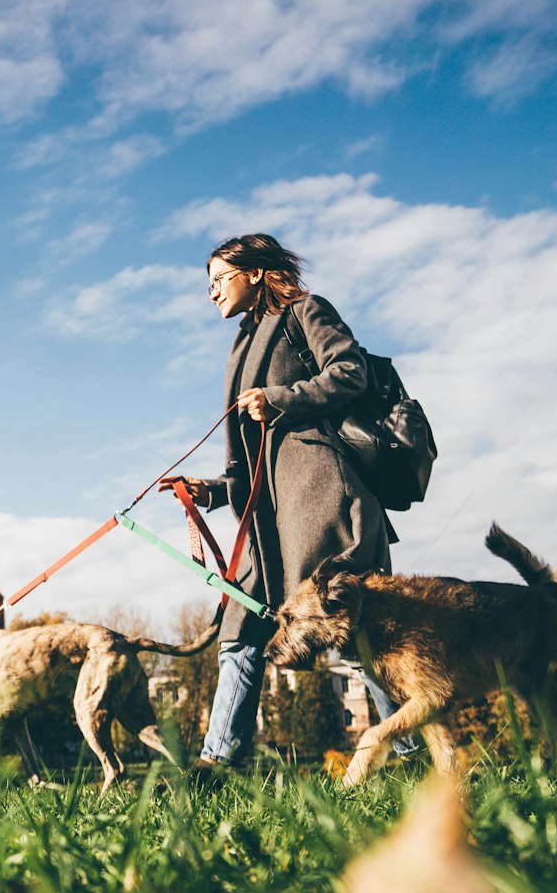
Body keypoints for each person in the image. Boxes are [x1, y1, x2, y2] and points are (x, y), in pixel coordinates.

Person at [160, 233, 406, 769]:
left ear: (253, 272)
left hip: (323, 503)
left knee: (358, 630)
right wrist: (214, 490)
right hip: (267, 527)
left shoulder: (306, 311)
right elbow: (257, 461)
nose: (211, 293)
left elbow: (351, 371)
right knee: (241, 631)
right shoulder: (241, 343)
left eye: (218, 280)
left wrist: (281, 399)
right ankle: (217, 763)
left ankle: (410, 751)